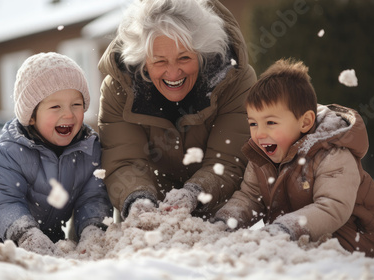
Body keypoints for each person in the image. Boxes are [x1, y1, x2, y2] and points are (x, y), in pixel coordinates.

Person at [214, 58, 374, 258]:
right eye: (253, 124)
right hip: (304, 242)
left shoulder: (333, 154)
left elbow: (332, 207)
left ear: (305, 122)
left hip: (358, 248)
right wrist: (225, 221)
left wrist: (286, 228)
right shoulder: (262, 156)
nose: (259, 134)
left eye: (270, 122)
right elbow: (249, 197)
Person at [97, 0, 256, 220]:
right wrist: (137, 198)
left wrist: (194, 193)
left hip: (217, 215)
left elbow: (228, 161)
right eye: (159, 61)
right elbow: (123, 161)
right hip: (148, 221)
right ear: (142, 61)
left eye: (184, 57)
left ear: (202, 53)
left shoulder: (235, 80)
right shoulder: (118, 88)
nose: (173, 74)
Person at [0, 52, 113, 256]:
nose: (68, 114)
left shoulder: (88, 149)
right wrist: (26, 234)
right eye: (55, 106)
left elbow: (93, 197)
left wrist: (92, 228)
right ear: (31, 116)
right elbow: (4, 199)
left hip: (48, 230)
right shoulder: (11, 150)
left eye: (76, 105)